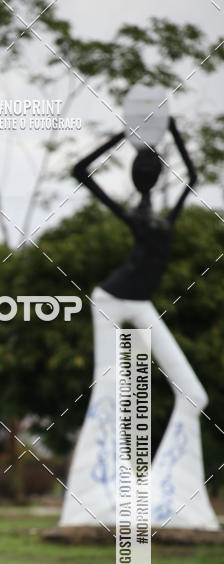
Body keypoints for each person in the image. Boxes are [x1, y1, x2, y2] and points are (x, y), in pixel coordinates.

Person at [60, 117, 218, 529]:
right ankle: (94, 501)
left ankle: (171, 499)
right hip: (111, 301)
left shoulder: (167, 214)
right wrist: (121, 136)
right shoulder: (136, 218)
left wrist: (172, 129)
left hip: (141, 302)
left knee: (194, 394)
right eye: (148, 169)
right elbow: (81, 172)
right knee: (110, 390)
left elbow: (195, 174)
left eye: (155, 169)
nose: (152, 174)